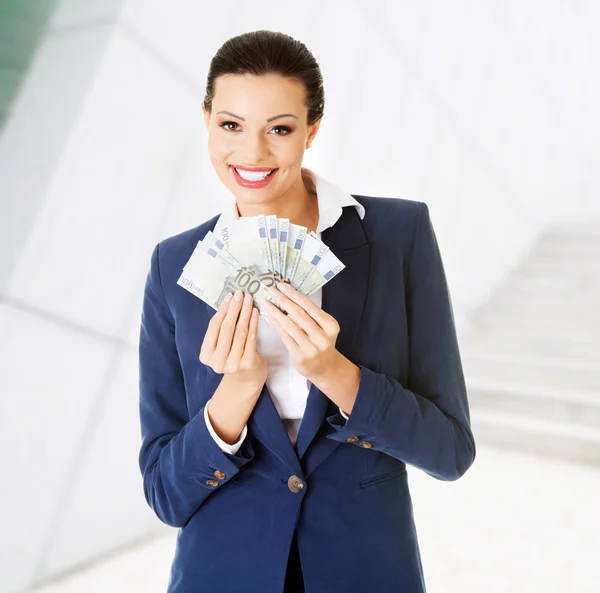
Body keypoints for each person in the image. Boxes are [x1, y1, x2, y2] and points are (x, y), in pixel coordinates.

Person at [137, 29, 476, 593]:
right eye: (231, 125)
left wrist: (337, 375)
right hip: (220, 574)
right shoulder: (176, 265)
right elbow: (166, 494)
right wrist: (236, 392)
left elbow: (449, 451)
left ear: (312, 130)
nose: (251, 153)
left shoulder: (398, 236)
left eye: (280, 129)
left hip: (365, 570)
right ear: (206, 120)